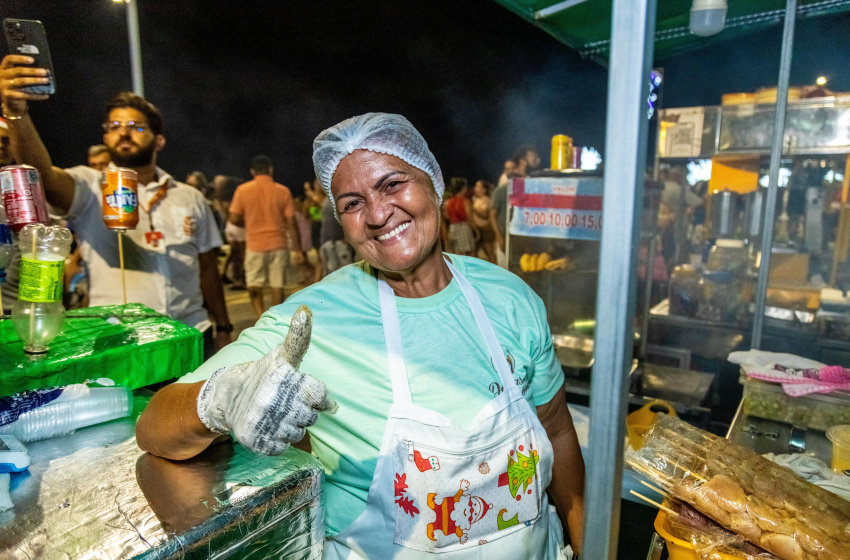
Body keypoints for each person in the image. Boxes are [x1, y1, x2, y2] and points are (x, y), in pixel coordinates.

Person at [135, 113, 585, 559]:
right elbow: (155, 426)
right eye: (352, 203)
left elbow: (558, 430)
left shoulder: (508, 297)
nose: (377, 214)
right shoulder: (315, 320)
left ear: (434, 182)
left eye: (393, 184)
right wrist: (223, 398)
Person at [0, 56, 232, 355]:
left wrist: (223, 326)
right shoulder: (89, 188)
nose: (123, 131)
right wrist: (18, 115)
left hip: (190, 336)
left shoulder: (189, 196)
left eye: (135, 126)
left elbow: (207, 267)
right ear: (105, 136)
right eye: (114, 125)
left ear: (158, 141)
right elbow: (41, 177)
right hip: (117, 342)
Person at [228, 154, 303, 318]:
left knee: (254, 284)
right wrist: (298, 250)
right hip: (279, 244)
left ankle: (259, 318)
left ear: (252, 171)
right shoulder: (283, 191)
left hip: (255, 245)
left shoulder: (243, 190)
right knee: (278, 286)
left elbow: (233, 218)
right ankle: (275, 319)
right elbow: (291, 222)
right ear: (270, 170)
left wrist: (248, 222)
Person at [319, 194, 354, 275]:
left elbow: (346, 218)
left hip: (340, 241)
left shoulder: (336, 198)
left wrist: (347, 237)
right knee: (331, 270)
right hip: (329, 241)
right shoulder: (327, 199)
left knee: (346, 270)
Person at [443, 177, 476, 257]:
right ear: (463, 188)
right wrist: (476, 231)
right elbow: (470, 218)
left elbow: (446, 216)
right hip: (464, 227)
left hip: (452, 228)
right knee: (470, 253)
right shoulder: (465, 201)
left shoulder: (447, 202)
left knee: (458, 254)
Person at [470, 179, 497, 263]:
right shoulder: (475, 200)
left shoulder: (487, 200)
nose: (475, 188)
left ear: (484, 189)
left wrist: (473, 209)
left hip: (485, 229)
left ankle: (495, 270)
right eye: (476, 186)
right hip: (477, 229)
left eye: (478, 186)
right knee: (474, 253)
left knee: (489, 252)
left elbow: (485, 215)